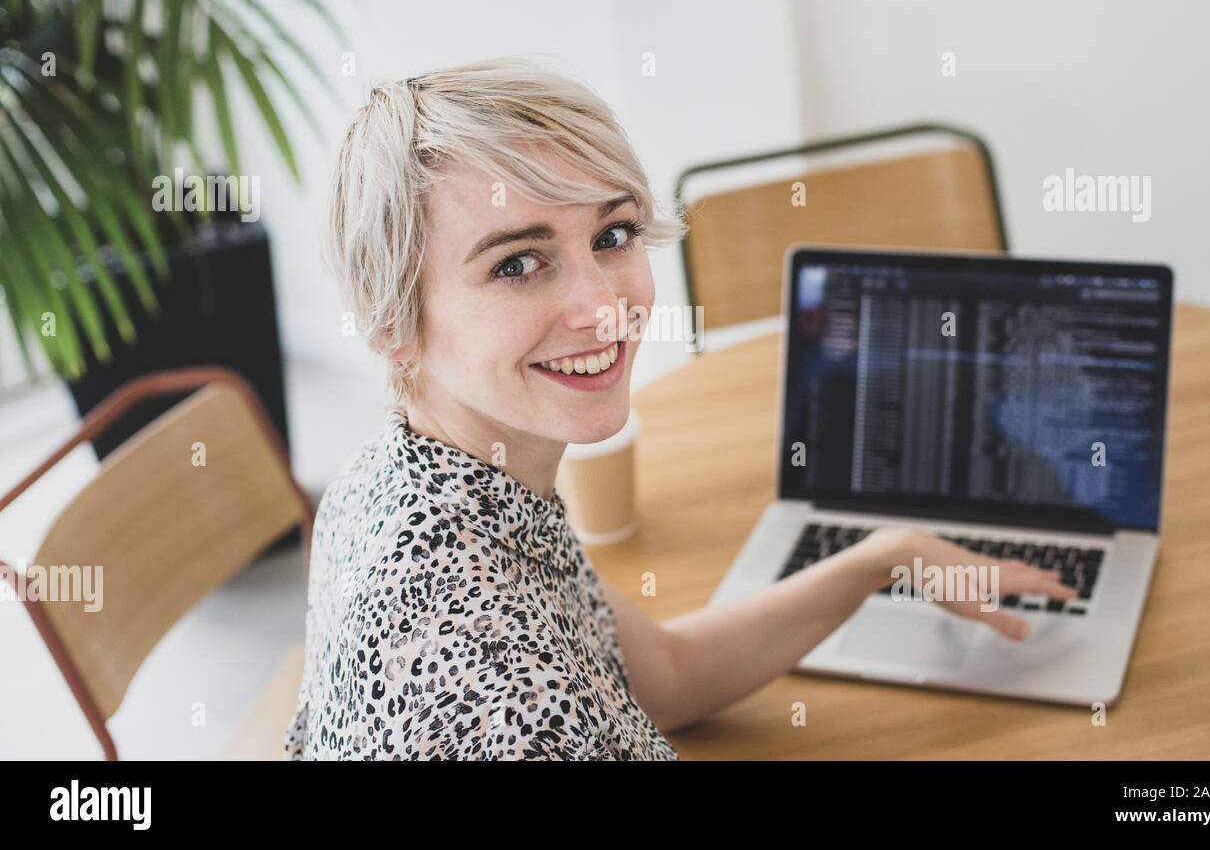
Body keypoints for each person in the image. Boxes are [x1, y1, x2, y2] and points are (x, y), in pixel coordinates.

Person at [284, 57, 1077, 760]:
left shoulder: (427, 482)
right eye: (518, 264)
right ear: (392, 321)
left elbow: (664, 677)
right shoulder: (500, 696)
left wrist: (883, 556)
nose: (603, 308)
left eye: (612, 234)